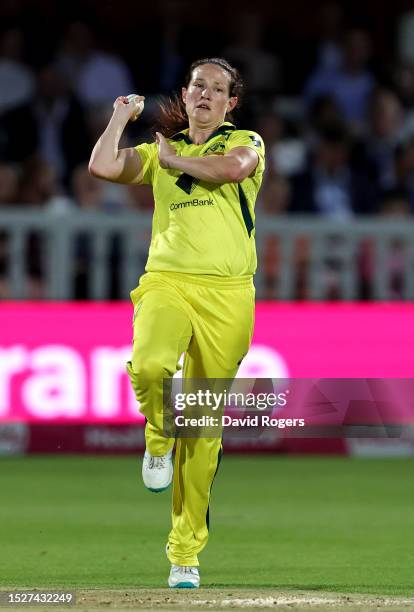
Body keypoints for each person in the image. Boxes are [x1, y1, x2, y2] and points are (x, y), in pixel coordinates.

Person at [88, 57, 265, 588]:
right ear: (185, 96)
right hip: (167, 281)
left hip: (229, 295)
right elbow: (101, 167)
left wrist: (173, 160)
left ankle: (184, 553)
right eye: (198, 87)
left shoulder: (248, 142)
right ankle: (158, 433)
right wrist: (120, 119)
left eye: (217, 89)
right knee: (148, 365)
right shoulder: (157, 152)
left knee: (205, 431)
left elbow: (232, 171)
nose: (206, 95)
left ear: (231, 103)